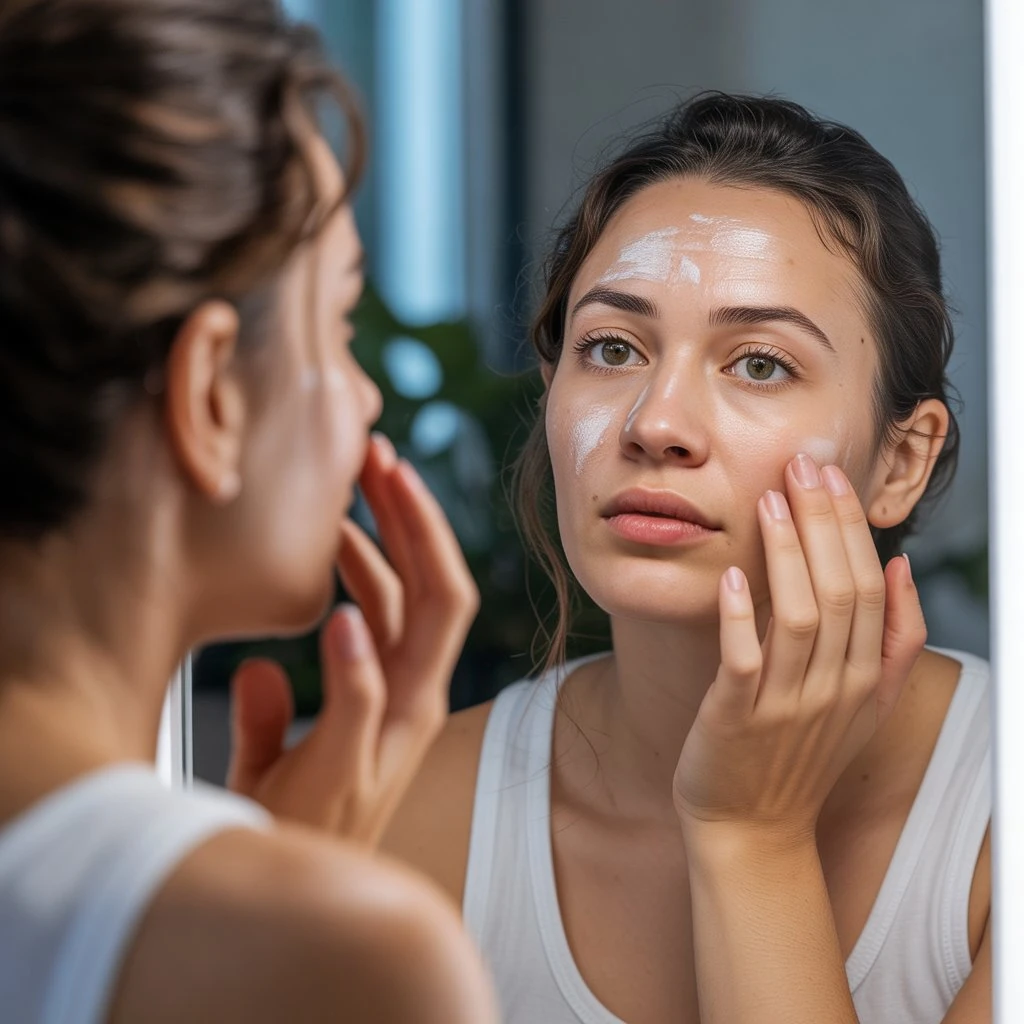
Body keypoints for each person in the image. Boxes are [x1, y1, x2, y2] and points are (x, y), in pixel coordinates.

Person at [367, 94, 990, 1023]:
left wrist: (754, 839)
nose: (655, 424)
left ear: (900, 460)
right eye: (612, 347)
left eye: (760, 363)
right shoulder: (416, 807)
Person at [0, 1, 497, 1022]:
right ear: (211, 392)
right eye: (340, 321)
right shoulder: (351, 955)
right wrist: (291, 906)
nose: (365, 398)